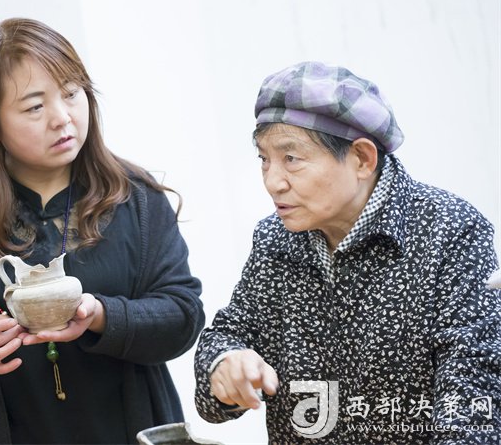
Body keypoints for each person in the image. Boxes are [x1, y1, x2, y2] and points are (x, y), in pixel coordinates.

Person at [0, 17, 204, 445]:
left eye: (71, 93)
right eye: (34, 107)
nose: (62, 118)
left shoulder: (135, 199)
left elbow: (184, 317)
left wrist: (99, 315)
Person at [194, 61, 501, 444]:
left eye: (291, 159)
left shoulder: (449, 230)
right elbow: (229, 336)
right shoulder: (275, 238)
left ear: (362, 159)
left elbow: (474, 394)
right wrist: (225, 364)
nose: (273, 182)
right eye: (264, 159)